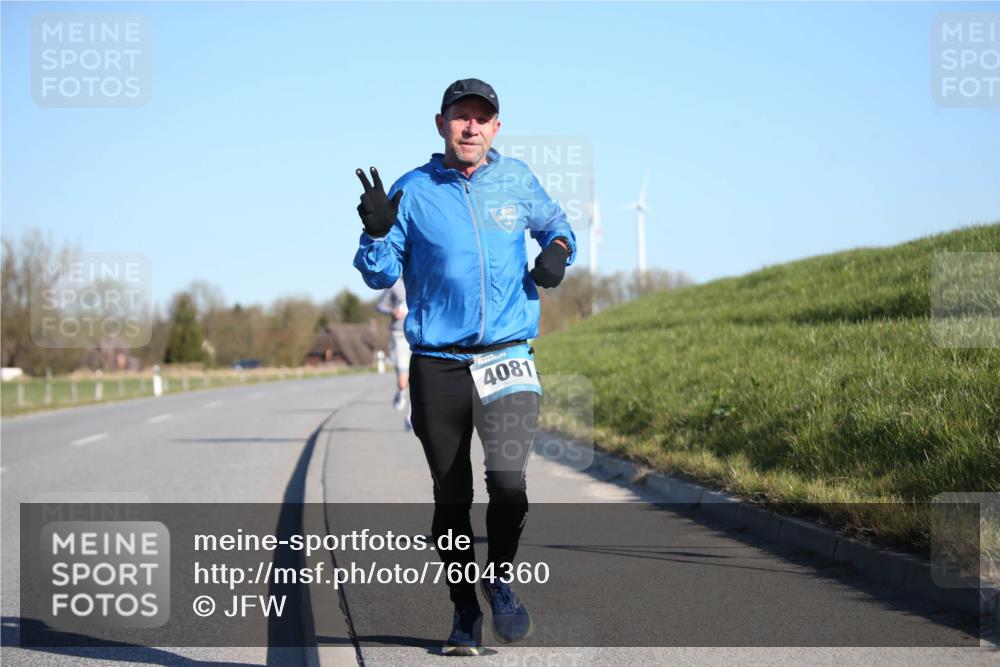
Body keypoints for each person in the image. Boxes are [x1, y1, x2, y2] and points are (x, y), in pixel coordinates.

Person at [352, 78, 575, 656]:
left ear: (496, 127)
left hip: (507, 357)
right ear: (441, 124)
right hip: (438, 365)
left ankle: (498, 578)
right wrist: (375, 233)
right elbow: (378, 274)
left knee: (508, 484)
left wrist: (556, 252)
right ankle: (462, 612)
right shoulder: (413, 190)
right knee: (451, 495)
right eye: (460, 117)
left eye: (482, 118)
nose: (471, 127)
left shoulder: (517, 179)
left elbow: (559, 227)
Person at [376, 278, 411, 429]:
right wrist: (393, 311)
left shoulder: (423, 277)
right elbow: (380, 306)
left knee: (417, 378)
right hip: (399, 335)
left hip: (418, 334)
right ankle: (401, 391)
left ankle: (411, 417)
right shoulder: (395, 284)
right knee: (404, 381)